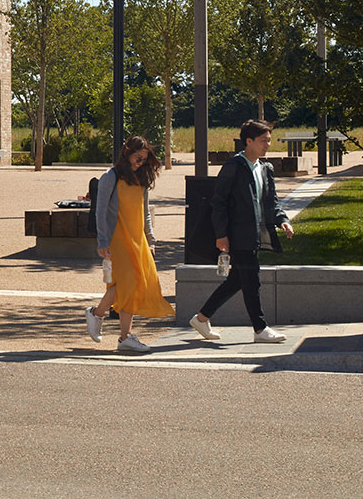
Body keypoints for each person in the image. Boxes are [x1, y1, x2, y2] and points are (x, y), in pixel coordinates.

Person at [191, 119, 295, 345]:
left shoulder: (265, 169)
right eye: (263, 140)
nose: (268, 145)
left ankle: (201, 318)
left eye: (269, 140)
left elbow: (271, 202)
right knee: (252, 280)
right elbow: (218, 202)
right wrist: (221, 234)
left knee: (238, 280)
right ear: (249, 141)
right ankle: (260, 328)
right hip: (237, 236)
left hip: (253, 235)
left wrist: (283, 220)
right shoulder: (234, 166)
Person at [86, 136, 174, 352]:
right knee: (129, 283)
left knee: (132, 285)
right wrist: (102, 240)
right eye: (138, 158)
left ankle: (113, 327)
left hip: (137, 239)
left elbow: (145, 213)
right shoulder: (111, 176)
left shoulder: (141, 178)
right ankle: (104, 320)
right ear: (127, 153)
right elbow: (100, 211)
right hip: (117, 238)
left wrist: (150, 239)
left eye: (144, 159)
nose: (141, 163)